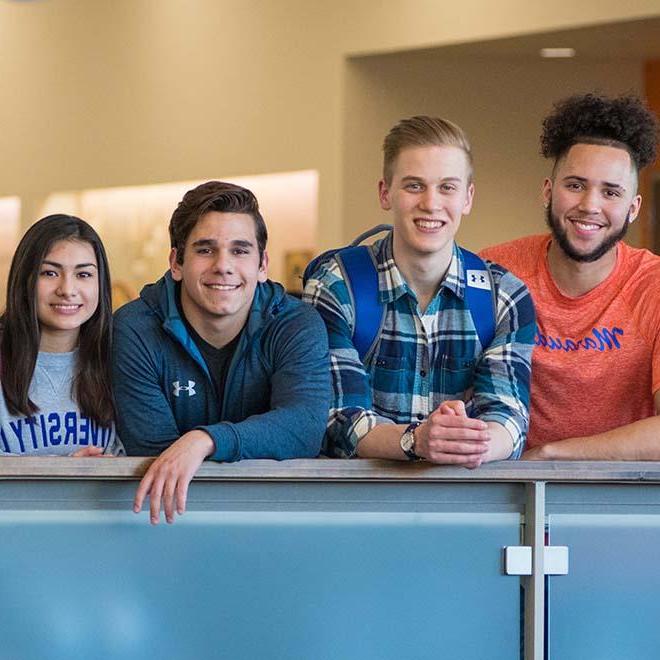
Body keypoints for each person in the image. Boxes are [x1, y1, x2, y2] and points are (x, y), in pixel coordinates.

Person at [303, 116, 535, 465]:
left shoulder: (504, 296)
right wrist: (417, 441)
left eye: (447, 187)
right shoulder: (337, 286)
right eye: (414, 186)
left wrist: (463, 443)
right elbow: (336, 418)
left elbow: (508, 417)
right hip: (357, 508)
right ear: (385, 193)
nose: (431, 203)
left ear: (468, 197)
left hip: (470, 504)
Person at [113, 181, 330, 524]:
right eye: (205, 249)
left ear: (262, 266)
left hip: (275, 518)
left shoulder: (296, 324)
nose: (223, 265)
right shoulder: (135, 328)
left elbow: (303, 428)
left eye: (240, 250)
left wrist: (205, 440)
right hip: (165, 519)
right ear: (176, 262)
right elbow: (157, 454)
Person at [481, 93, 660, 460]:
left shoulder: (653, 286)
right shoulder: (493, 272)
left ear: (633, 208)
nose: (590, 205)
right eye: (575, 185)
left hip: (624, 502)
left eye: (611, 192)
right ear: (548, 192)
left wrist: (552, 456)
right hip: (505, 496)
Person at [0, 214, 122, 456]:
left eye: (83, 274)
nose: (67, 290)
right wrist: (64, 470)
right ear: (25, 279)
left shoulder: (119, 360)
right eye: (50, 273)